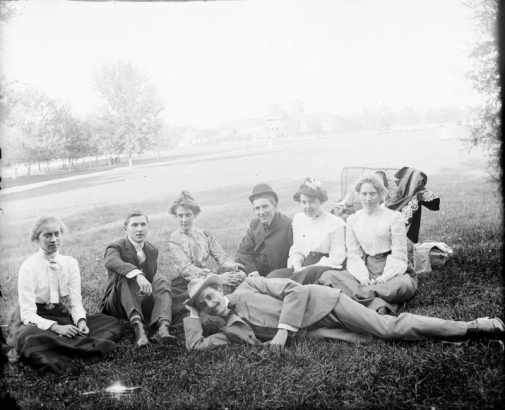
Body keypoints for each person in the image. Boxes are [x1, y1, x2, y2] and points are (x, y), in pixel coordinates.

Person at [183, 274, 504, 350]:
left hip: (326, 302)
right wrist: (191, 313)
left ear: (220, 289)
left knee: (388, 328)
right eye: (205, 305)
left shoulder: (251, 285)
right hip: (316, 328)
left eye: (211, 296)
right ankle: (448, 336)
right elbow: (196, 347)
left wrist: (282, 332)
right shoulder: (229, 331)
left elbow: (296, 289)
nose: (212, 304)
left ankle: (472, 327)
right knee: (371, 341)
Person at [8, 216, 122, 373]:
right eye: (47, 235)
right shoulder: (28, 266)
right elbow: (27, 314)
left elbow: (76, 302)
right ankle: (67, 350)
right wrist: (56, 328)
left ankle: (62, 347)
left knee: (107, 321)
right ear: (36, 239)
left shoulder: (70, 263)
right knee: (29, 337)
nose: (53, 239)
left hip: (58, 314)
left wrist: (81, 321)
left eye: (57, 234)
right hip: (33, 319)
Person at [320, 174, 418, 315]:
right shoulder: (353, 220)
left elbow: (399, 254)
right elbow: (353, 254)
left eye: (372, 194)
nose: (368, 199)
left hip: (393, 267)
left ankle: (361, 298)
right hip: (366, 267)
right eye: (364, 194)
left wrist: (383, 278)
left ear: (380, 194)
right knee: (328, 277)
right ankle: (378, 301)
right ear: (358, 195)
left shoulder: (394, 217)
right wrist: (363, 278)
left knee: (402, 286)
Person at [167, 191, 246, 324]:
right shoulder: (173, 241)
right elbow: (186, 269)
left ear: (195, 215)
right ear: (175, 216)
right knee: (182, 300)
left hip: (209, 277)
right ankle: (219, 307)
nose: (184, 220)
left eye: (188, 215)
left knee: (240, 274)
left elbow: (221, 256)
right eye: (180, 216)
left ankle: (224, 303)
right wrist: (218, 278)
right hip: (187, 283)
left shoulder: (205, 234)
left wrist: (232, 266)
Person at [101, 210, 174, 348]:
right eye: (134, 225)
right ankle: (139, 331)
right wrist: (137, 275)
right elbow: (111, 261)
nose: (140, 229)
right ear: (125, 228)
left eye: (143, 224)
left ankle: (162, 328)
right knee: (126, 277)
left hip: (140, 300)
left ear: (148, 226)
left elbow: (151, 278)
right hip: (117, 304)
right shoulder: (115, 247)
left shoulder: (152, 250)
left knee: (162, 280)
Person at [266, 177, 346, 283]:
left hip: (324, 268)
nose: (307, 206)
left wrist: (307, 269)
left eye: (312, 202)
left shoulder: (334, 223)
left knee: (293, 283)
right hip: (303, 266)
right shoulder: (299, 219)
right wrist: (297, 266)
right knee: (273, 276)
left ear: (321, 201)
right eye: (303, 202)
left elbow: (337, 257)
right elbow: (297, 249)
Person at [235, 183, 293, 277]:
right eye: (257, 208)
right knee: (231, 267)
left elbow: (294, 254)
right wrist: (253, 272)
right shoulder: (255, 223)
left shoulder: (288, 225)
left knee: (270, 280)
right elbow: (243, 250)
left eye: (265, 207)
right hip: (255, 268)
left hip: (276, 272)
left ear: (275, 206)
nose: (261, 212)